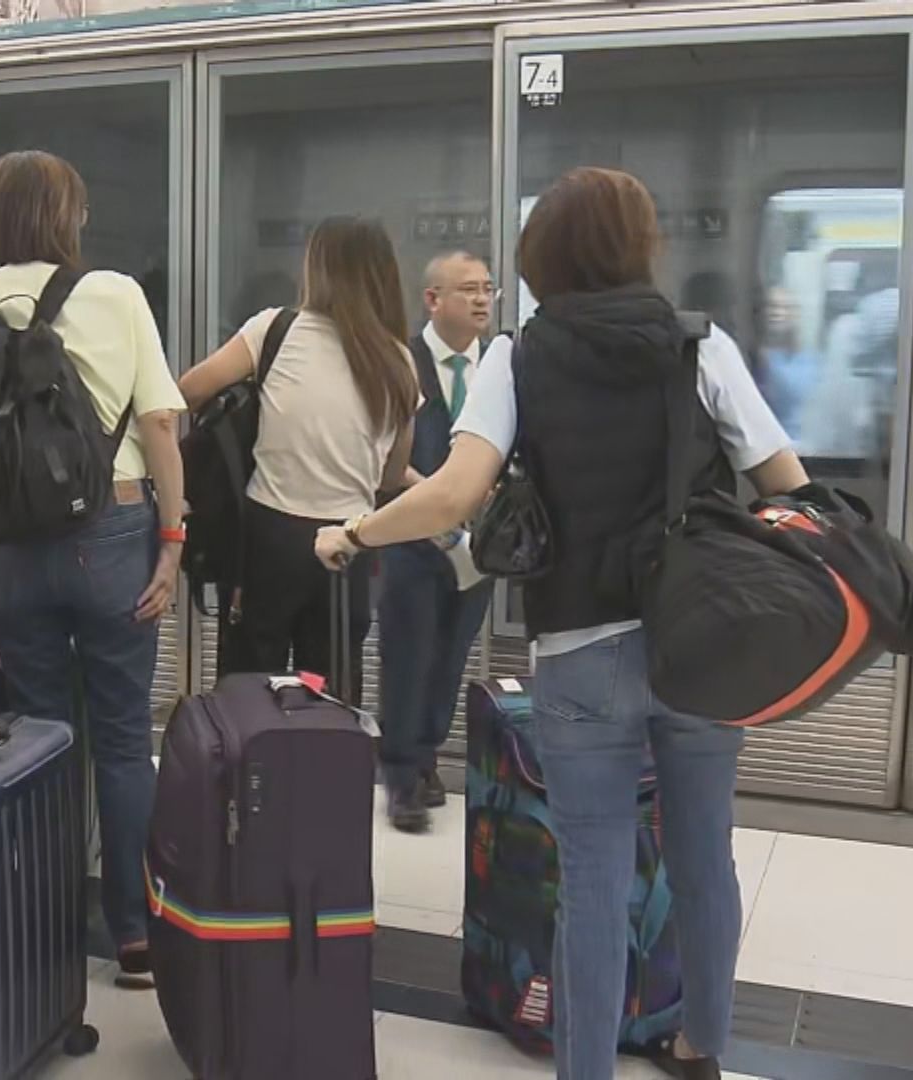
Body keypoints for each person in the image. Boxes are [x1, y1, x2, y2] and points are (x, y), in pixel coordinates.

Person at [314, 167, 809, 1080]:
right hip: (700, 650)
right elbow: (788, 484)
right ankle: (703, 1044)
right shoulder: (702, 347)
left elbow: (456, 492)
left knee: (591, 877)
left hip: (581, 654)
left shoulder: (517, 355)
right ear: (639, 246)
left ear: (544, 253)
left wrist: (354, 530)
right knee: (706, 857)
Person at [0, 150, 186, 990]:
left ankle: (47, 914)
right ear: (69, 219)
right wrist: (173, 539)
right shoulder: (116, 294)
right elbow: (162, 423)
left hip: (11, 550)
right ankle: (133, 934)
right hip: (115, 529)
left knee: (37, 734)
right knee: (125, 739)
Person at [178, 216, 416, 695]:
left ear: (319, 269)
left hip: (268, 538)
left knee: (248, 685)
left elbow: (188, 389)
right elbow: (389, 475)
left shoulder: (275, 330)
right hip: (349, 544)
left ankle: (252, 772)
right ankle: (325, 770)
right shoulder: (396, 360)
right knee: (331, 692)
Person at [374, 250, 495, 833]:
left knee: (450, 659)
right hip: (412, 543)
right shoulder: (402, 361)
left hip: (480, 547)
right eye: (468, 289)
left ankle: (426, 757)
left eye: (488, 289)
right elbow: (386, 459)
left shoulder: (499, 366)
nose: (481, 300)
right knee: (409, 657)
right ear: (433, 299)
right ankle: (399, 776)